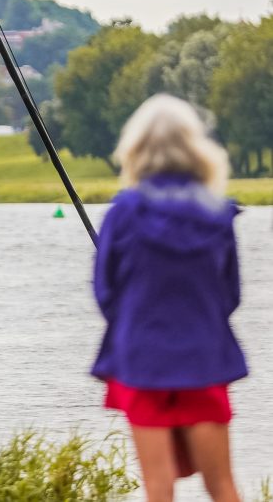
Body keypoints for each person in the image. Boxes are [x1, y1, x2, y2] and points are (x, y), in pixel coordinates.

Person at [90, 94, 248, 502]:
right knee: (223, 486)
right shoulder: (217, 212)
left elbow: (105, 291)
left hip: (143, 360)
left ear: (136, 148)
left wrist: (138, 321)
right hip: (204, 358)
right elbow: (229, 294)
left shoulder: (123, 213)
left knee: (158, 488)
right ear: (195, 147)